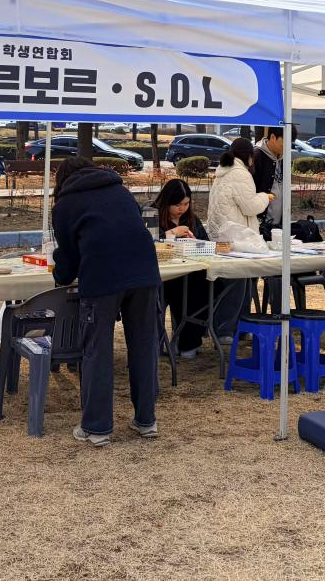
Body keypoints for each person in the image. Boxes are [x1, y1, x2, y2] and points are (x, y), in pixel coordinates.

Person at [51, 157, 162, 447]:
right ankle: (146, 420)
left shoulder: (65, 204)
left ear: (61, 180)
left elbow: (68, 258)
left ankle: (97, 427)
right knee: (144, 347)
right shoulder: (120, 190)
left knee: (97, 351)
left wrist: (60, 274)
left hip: (101, 278)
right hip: (145, 273)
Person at [206, 138, 274, 334]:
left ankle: (234, 328)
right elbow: (250, 206)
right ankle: (229, 329)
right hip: (237, 240)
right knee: (238, 286)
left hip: (221, 236)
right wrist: (265, 197)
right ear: (248, 156)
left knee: (230, 286)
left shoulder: (223, 171)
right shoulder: (240, 174)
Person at [153, 179, 212, 359]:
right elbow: (147, 242)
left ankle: (188, 341)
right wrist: (171, 234)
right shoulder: (152, 215)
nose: (182, 209)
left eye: (186, 204)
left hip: (188, 274)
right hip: (163, 276)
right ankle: (178, 341)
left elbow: (205, 243)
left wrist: (195, 243)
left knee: (208, 285)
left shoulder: (191, 219)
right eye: (177, 205)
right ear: (166, 202)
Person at [251, 126, 290, 231]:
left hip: (279, 223)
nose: (287, 146)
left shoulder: (284, 158)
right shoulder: (257, 156)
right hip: (261, 222)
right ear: (273, 137)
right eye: (285, 141)